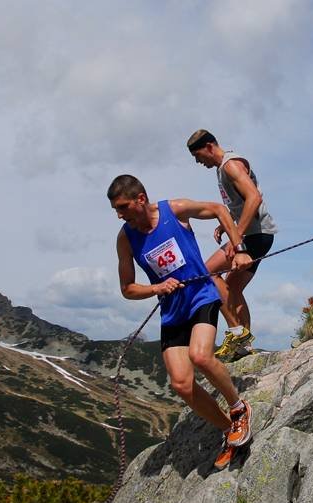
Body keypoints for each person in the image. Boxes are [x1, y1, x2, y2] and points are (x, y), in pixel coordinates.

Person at [107, 174, 253, 470]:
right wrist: (156, 288)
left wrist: (238, 249)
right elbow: (127, 289)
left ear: (140, 199)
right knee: (182, 384)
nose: (120, 215)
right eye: (116, 210)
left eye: (123, 207)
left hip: (201, 296)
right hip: (172, 311)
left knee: (201, 356)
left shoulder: (174, 210)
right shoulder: (125, 239)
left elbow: (218, 209)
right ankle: (229, 431)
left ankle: (239, 409)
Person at [186, 130, 277, 359]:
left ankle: (237, 333)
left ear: (209, 147)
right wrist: (226, 224)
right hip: (260, 234)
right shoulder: (222, 168)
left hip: (254, 235)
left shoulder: (230, 165)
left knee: (207, 273)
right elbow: (242, 202)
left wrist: (236, 236)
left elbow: (254, 197)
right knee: (233, 288)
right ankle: (245, 346)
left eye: (198, 156)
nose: (198, 162)